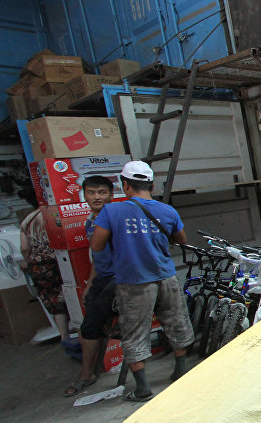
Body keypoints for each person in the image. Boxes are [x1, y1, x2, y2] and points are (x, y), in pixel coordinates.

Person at [90, 161, 194, 402]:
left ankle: (143, 388)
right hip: (166, 276)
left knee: (135, 332)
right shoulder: (168, 211)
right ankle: (180, 371)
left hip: (134, 282)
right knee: (176, 321)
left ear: (124, 185)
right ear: (152, 184)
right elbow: (181, 239)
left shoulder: (112, 211)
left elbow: (97, 245)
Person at [63, 176, 118, 397]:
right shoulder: (90, 222)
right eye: (92, 192)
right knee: (89, 326)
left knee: (93, 323)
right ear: (84, 195)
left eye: (102, 192)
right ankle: (88, 373)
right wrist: (90, 283)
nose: (97, 197)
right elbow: (97, 255)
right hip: (102, 278)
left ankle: (86, 374)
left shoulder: (116, 218)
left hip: (120, 278)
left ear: (111, 195)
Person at [19, 195, 69, 341]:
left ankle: (64, 336)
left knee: (54, 300)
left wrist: (29, 261)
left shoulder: (27, 221)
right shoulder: (55, 214)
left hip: (40, 268)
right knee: (72, 293)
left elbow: (24, 248)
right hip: (61, 261)